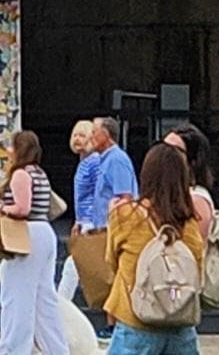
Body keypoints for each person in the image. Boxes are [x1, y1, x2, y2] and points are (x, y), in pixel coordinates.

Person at [101, 140, 206, 355]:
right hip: (180, 326)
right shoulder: (190, 223)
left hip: (136, 321)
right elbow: (198, 268)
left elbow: (111, 262)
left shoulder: (125, 216)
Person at [0, 125, 69, 355]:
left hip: (26, 234)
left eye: (12, 146)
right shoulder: (39, 173)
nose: (9, 151)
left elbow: (22, 208)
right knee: (44, 299)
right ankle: (57, 349)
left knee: (17, 296)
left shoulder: (20, 174)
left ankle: (12, 349)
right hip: (45, 232)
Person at [64, 117, 135, 309]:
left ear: (107, 135)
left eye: (94, 132)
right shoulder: (104, 160)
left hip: (108, 228)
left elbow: (124, 196)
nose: (90, 137)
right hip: (98, 225)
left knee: (79, 264)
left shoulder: (116, 160)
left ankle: (60, 307)